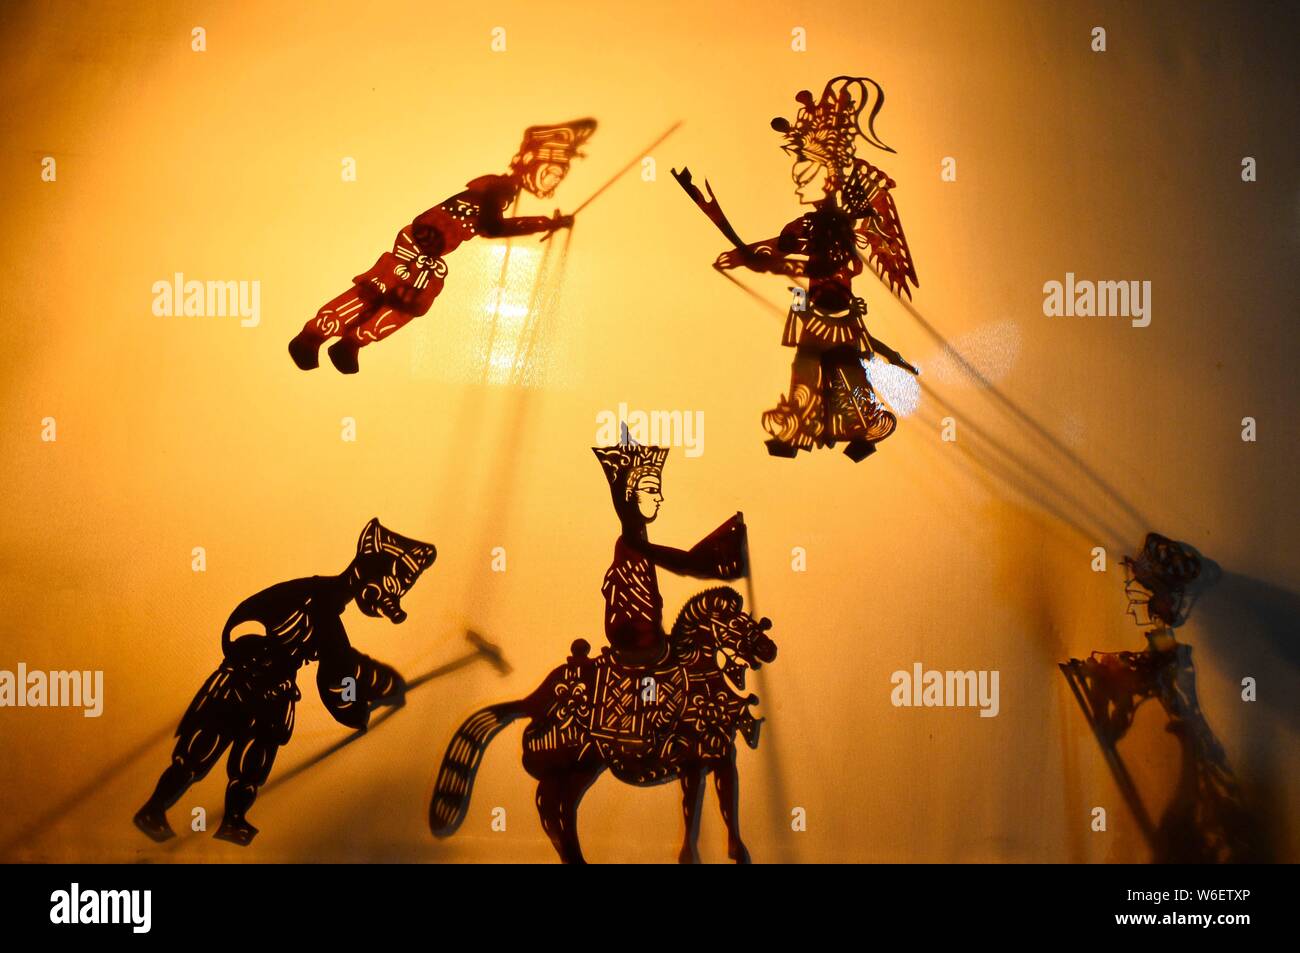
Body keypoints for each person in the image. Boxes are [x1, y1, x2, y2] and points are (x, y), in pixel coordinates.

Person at [132, 519, 436, 845]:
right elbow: (334, 673)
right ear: (368, 578)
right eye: (388, 590)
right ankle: (154, 809)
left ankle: (233, 820)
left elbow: (342, 668)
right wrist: (357, 705)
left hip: (276, 695)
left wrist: (373, 689)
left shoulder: (327, 613)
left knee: (252, 764)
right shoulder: (315, 602)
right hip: (240, 685)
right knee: (198, 753)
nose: (390, 605)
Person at [289, 119, 595, 374]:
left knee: (406, 302)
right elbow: (491, 227)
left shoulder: (500, 190)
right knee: (380, 289)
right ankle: (315, 334)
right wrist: (544, 223)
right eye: (552, 171)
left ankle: (352, 342)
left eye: (559, 173)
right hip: (417, 246)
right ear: (533, 165)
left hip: (431, 254)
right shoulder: (496, 189)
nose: (554, 179)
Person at [592, 434, 746, 666]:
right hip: (638, 647)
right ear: (628, 496)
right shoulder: (631, 544)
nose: (659, 498)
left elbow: (685, 562)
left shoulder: (636, 542)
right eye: (651, 490)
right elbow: (684, 563)